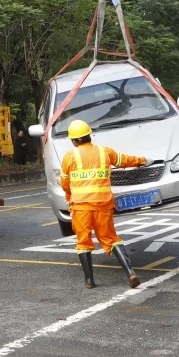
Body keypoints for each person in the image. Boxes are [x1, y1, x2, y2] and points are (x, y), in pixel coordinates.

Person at [58, 119, 147, 290]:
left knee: (83, 242)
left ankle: (89, 281)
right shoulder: (104, 151)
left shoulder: (70, 156)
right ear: (89, 135)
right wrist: (142, 160)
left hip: (81, 207)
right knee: (111, 238)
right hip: (103, 204)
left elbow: (64, 182)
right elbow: (124, 160)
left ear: (74, 140)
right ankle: (130, 273)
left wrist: (69, 196)